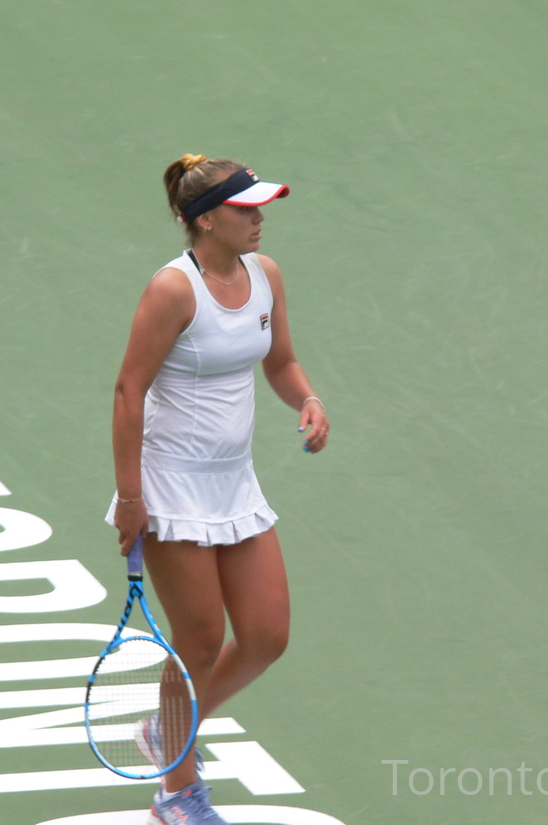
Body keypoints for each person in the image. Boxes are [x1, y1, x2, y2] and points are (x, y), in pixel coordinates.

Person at [106, 154, 330, 825]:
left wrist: (308, 397)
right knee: (199, 641)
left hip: (234, 483)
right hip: (169, 488)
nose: (260, 218)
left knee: (265, 635)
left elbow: (280, 359)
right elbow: (128, 391)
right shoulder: (172, 290)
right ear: (206, 221)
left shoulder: (266, 276)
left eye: (261, 206)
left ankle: (166, 727)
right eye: (246, 209)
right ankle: (176, 793)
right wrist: (130, 497)